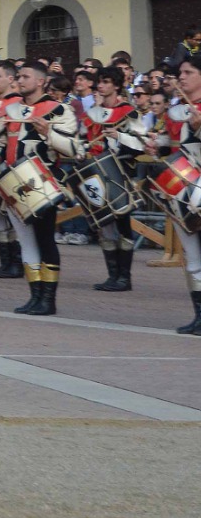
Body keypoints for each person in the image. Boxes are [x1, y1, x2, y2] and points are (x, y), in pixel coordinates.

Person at [0, 60, 83, 316]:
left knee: (45, 239)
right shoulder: (11, 109)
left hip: (42, 182)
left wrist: (49, 133)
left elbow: (75, 150)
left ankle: (48, 299)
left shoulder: (59, 110)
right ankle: (35, 296)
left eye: (25, 77)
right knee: (27, 242)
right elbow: (2, 142)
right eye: (19, 77)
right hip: (15, 183)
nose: (20, 81)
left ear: (40, 81)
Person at [79, 67, 143, 292]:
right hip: (95, 174)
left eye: (106, 82)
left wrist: (120, 136)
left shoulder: (129, 112)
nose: (101, 86)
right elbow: (82, 140)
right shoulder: (92, 114)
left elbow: (140, 143)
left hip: (121, 173)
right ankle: (112, 275)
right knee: (104, 226)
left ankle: (124, 277)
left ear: (116, 86)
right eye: (100, 82)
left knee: (123, 223)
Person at [153, 56, 201, 333]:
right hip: (182, 189)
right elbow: (172, 148)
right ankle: (199, 315)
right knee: (192, 257)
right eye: (180, 73)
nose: (181, 77)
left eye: (188, 72)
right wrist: (155, 145)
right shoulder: (177, 111)